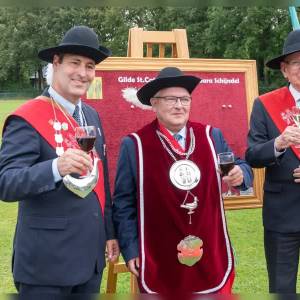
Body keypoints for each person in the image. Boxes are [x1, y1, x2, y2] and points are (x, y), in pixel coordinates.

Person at [0, 25, 119, 295]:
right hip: (47, 266)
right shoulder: (26, 118)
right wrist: (56, 167)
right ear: (56, 63)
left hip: (90, 260)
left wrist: (109, 232)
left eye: (89, 66)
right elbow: (6, 183)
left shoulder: (91, 116)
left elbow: (102, 181)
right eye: (74, 63)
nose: (82, 73)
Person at [112, 67, 253, 294]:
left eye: (185, 99)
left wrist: (240, 175)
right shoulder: (135, 145)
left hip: (209, 251)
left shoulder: (210, 136)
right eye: (170, 99)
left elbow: (242, 167)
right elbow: (123, 203)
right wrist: (131, 249)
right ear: (154, 103)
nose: (179, 105)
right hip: (157, 252)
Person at [246, 29, 300, 293]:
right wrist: (278, 143)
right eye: (297, 61)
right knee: (282, 288)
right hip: (282, 216)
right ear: (284, 69)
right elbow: (253, 155)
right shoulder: (265, 104)